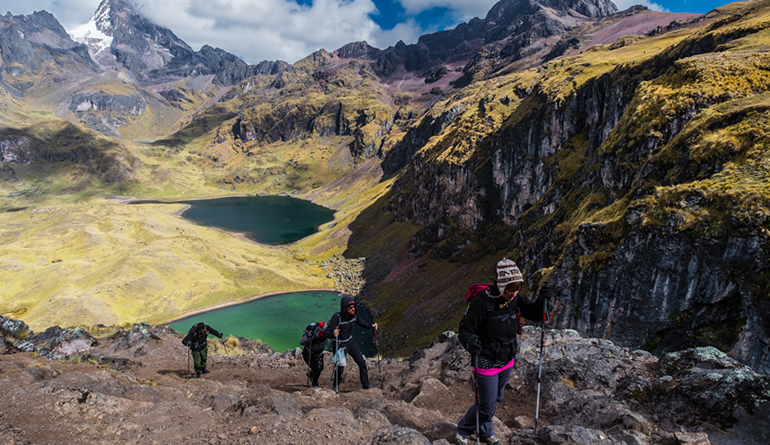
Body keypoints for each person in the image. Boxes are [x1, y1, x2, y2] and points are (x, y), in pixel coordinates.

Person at [455, 258, 553, 445]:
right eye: (510, 290)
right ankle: (464, 430)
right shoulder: (481, 302)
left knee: (496, 398)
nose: (513, 294)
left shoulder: (515, 298)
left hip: (507, 358)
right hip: (486, 360)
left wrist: (542, 300)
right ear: (501, 286)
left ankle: (485, 431)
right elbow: (466, 330)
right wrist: (470, 344)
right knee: (486, 404)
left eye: (516, 290)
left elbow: (535, 314)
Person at [325, 296, 378, 391]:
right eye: (350, 307)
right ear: (344, 308)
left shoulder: (354, 315)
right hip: (340, 345)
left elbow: (360, 322)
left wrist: (370, 327)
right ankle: (335, 387)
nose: (353, 309)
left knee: (362, 363)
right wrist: (333, 333)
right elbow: (326, 332)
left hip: (350, 342)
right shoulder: (337, 318)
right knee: (340, 367)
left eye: (354, 307)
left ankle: (366, 385)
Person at [300, 321, 327, 387]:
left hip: (319, 354)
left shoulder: (327, 335)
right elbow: (301, 342)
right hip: (309, 354)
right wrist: (309, 339)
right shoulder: (312, 335)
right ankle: (315, 384)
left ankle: (311, 374)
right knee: (317, 371)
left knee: (321, 368)